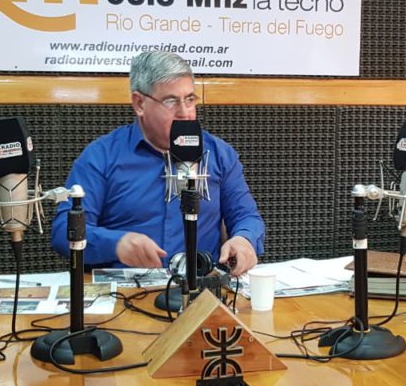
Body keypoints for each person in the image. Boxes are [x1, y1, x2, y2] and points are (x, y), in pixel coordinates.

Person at [51, 50, 265, 276]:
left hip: (201, 292)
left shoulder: (218, 154)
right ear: (139, 103)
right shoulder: (101, 157)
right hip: (125, 297)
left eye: (190, 99)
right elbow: (63, 232)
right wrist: (115, 243)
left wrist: (244, 239)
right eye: (171, 101)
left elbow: (246, 216)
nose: (185, 113)